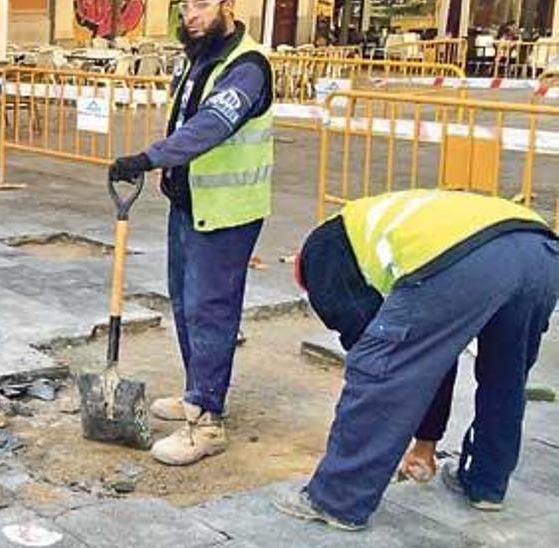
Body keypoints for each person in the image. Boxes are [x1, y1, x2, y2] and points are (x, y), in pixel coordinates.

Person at [276, 189, 559, 530]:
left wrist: (425, 441)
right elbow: (433, 349)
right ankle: (485, 484)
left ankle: (338, 499)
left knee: (378, 367)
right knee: (506, 375)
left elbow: (397, 364)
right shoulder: (374, 220)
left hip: (468, 258)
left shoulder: (321, 258)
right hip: (541, 252)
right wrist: (426, 443)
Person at [108, 0, 273, 466]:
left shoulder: (247, 66)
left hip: (226, 213)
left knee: (210, 311)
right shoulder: (201, 58)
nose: (190, 17)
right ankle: (197, 392)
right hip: (189, 205)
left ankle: (208, 423)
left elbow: (210, 127)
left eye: (201, 5)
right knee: (184, 303)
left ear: (228, 6)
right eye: (184, 8)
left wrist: (150, 157)